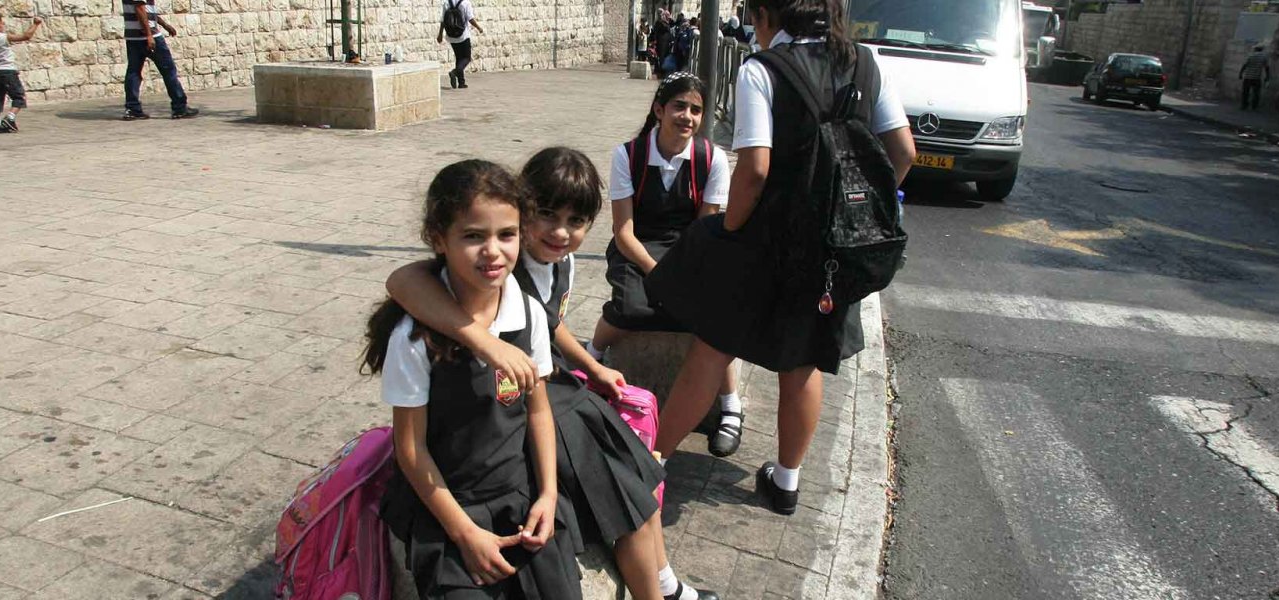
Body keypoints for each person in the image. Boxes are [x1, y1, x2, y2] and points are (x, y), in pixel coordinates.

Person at [384, 149, 719, 600]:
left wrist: (594, 367)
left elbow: (549, 325)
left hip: (538, 399)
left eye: (576, 220)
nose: (560, 232)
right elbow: (403, 281)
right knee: (613, 465)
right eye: (546, 214)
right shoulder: (462, 298)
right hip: (493, 446)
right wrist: (487, 343)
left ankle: (662, 582)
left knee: (631, 466)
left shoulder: (544, 275)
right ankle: (660, 584)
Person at [645, 0, 916, 516]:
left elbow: (755, 170)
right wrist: (850, 211)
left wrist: (728, 228)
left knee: (712, 348)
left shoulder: (761, 70)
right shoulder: (865, 61)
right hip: (831, 248)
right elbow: (902, 152)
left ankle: (652, 463)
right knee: (803, 360)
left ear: (768, 15)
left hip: (765, 239)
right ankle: (786, 482)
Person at [365, 160, 580, 599]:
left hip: (517, 494)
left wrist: (547, 494)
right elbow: (410, 448)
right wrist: (463, 532)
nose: (493, 251)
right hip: (446, 505)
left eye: (507, 234)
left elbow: (538, 410)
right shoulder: (415, 337)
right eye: (473, 236)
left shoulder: (530, 315)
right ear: (437, 240)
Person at [585, 73, 746, 459]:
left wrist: (682, 274)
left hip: (689, 248)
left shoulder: (712, 159)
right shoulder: (628, 155)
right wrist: (657, 272)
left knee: (709, 316)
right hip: (637, 246)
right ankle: (591, 357)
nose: (687, 116)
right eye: (678, 106)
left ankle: (730, 406)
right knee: (630, 307)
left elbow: (705, 229)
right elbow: (623, 230)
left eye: (695, 109)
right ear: (659, 109)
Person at [122, 0, 199, 120]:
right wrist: (149, 35)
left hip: (133, 37)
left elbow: (146, 11)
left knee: (133, 72)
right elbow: (140, 9)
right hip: (147, 36)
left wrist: (164, 25)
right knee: (169, 71)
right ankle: (179, 107)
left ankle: (132, 109)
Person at [0, 9, 40, 133]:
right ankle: (10, 117)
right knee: (19, 96)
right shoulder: (3, 37)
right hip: (7, 71)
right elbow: (26, 36)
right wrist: (36, 24)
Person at [439, 0, 485, 89]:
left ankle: (461, 82)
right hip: (463, 35)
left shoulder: (446, 3)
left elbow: (443, 21)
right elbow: (470, 19)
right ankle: (455, 72)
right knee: (466, 58)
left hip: (451, 36)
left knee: (459, 58)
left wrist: (440, 34)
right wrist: (479, 28)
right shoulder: (465, 3)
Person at [1239, 45, 1269, 111]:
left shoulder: (1251, 56)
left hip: (1248, 77)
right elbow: (1267, 67)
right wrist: (1267, 77)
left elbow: (1245, 65)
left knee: (1245, 92)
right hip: (1257, 78)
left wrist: (1240, 74)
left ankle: (1244, 105)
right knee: (1256, 93)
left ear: (1255, 49)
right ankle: (1254, 106)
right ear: (1261, 49)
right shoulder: (1264, 57)